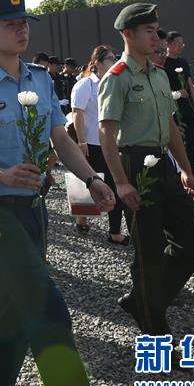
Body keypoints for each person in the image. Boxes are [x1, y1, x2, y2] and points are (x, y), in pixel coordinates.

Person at [0, 0, 114, 386]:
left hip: (35, 211)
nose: (22, 29)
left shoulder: (40, 78)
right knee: (49, 313)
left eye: (25, 22)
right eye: (11, 24)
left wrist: (92, 177)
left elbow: (60, 136)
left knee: (8, 318)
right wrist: (0, 175)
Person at [98, 3, 194, 338]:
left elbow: (172, 128)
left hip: (162, 162)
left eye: (157, 30)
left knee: (193, 243)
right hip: (134, 164)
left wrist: (187, 169)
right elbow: (106, 132)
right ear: (127, 34)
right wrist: (119, 182)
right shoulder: (117, 77)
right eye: (149, 30)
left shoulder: (159, 75)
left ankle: (145, 300)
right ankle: (155, 330)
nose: (156, 37)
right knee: (149, 253)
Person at [71, 46, 126, 244]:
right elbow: (78, 112)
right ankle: (82, 215)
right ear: (98, 63)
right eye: (111, 58)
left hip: (112, 143)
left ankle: (114, 231)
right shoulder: (86, 84)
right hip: (92, 143)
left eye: (115, 57)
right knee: (88, 181)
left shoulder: (115, 83)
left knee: (115, 184)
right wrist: (81, 140)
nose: (115, 60)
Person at [164, 31, 194, 173]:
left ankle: (192, 169)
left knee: (192, 141)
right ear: (167, 44)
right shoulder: (164, 64)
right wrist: (177, 94)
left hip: (188, 106)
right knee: (178, 141)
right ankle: (179, 170)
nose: (180, 47)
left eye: (182, 44)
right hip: (174, 108)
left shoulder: (183, 62)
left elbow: (190, 86)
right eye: (176, 44)